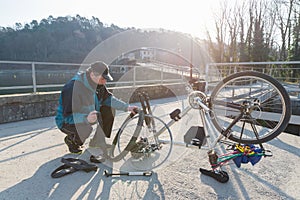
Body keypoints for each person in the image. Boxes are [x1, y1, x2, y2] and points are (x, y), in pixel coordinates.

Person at [55, 61, 137, 157]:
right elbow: (67, 116)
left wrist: (127, 107)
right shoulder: (72, 88)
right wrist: (86, 118)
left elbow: (109, 99)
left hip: (90, 114)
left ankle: (97, 141)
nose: (105, 82)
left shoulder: (99, 84)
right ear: (92, 74)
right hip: (66, 121)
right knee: (85, 129)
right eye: (103, 78)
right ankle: (72, 140)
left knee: (109, 109)